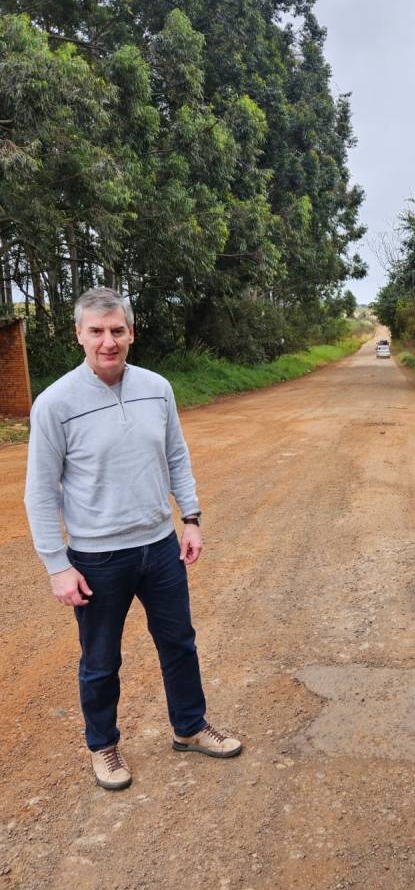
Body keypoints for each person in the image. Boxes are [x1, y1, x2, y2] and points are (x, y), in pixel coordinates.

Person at [24, 287, 242, 790]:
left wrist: (190, 518)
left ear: (131, 333)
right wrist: (58, 565)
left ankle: (189, 727)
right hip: (97, 558)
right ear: (79, 334)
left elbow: (176, 457)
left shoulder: (157, 388)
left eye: (117, 330)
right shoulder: (54, 404)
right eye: (96, 331)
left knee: (179, 643)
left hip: (160, 546)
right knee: (101, 661)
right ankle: (103, 747)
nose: (108, 341)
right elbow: (38, 493)